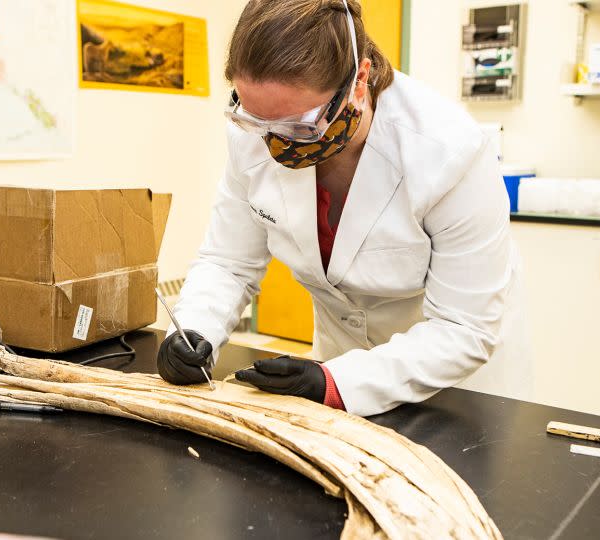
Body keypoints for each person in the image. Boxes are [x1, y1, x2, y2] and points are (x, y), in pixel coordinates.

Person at [157, 0, 529, 417]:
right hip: (338, 369)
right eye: (256, 121)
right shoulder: (254, 131)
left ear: (359, 81)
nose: (274, 142)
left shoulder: (449, 151)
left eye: (298, 126)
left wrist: (337, 382)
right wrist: (192, 329)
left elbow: (463, 328)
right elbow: (228, 262)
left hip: (451, 385)